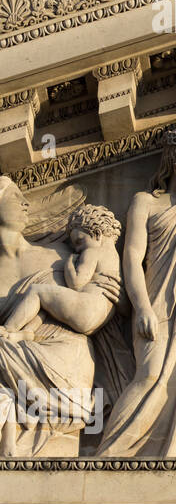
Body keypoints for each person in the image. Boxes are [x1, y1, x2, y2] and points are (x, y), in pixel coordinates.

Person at [98, 125, 176, 456]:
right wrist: (143, 307)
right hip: (159, 302)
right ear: (173, 159)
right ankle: (110, 453)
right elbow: (133, 259)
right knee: (151, 375)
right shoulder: (145, 203)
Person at [0, 176, 119, 456]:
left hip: (68, 363)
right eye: (14, 196)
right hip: (15, 359)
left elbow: (100, 296)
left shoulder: (60, 252)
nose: (25, 202)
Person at [1, 205, 120, 342]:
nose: (77, 249)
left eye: (79, 241)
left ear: (97, 234)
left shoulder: (92, 251)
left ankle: (9, 329)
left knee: (37, 291)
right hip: (102, 317)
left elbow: (76, 283)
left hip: (87, 309)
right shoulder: (115, 257)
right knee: (48, 302)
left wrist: (69, 263)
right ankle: (28, 331)